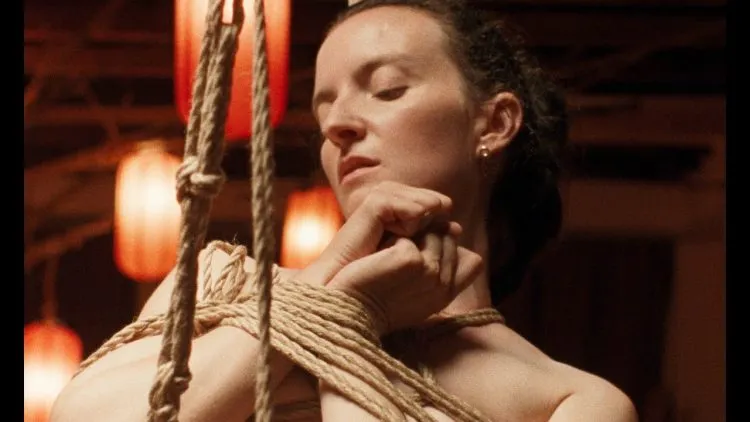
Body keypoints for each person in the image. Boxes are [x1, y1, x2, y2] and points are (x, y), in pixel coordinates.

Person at [50, 0, 639, 421]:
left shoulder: (572, 401)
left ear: (495, 123)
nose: (338, 125)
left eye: (387, 89)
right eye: (324, 108)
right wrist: (339, 302)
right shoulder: (222, 280)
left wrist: (349, 335)